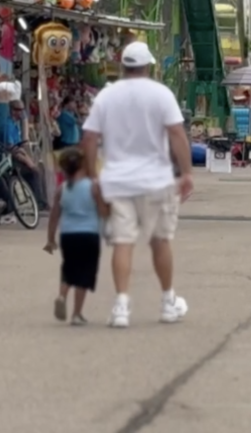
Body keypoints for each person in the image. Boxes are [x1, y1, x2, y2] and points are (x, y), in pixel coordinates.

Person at [82, 41, 195, 328]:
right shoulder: (161, 94)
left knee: (123, 242)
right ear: (148, 66)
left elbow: (90, 138)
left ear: (122, 65)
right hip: (156, 181)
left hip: (117, 181)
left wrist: (93, 177)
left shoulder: (106, 96)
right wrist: (186, 173)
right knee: (160, 241)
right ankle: (168, 302)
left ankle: (121, 306)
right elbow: (177, 134)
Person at [43, 148, 101, 326]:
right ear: (83, 166)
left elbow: (54, 216)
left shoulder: (62, 189)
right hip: (89, 234)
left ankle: (62, 295)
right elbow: (103, 210)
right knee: (84, 274)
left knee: (69, 269)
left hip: (68, 235)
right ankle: (77, 313)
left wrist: (51, 239)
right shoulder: (93, 187)